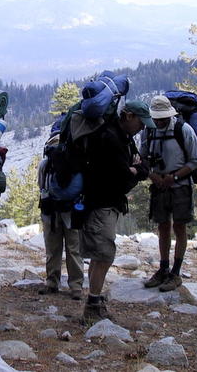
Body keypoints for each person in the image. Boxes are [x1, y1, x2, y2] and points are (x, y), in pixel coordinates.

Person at [78, 101, 152, 324]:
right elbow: (124, 177)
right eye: (140, 122)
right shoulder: (111, 138)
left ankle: (95, 300)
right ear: (128, 116)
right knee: (104, 254)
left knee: (100, 255)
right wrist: (134, 169)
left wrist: (135, 169)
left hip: (103, 204)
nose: (142, 128)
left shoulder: (120, 137)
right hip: (101, 205)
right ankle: (92, 305)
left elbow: (139, 169)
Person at [140, 96, 197, 292]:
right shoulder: (149, 131)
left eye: (161, 118)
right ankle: (164, 268)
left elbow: (195, 160)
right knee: (163, 226)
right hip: (159, 186)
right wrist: (152, 175)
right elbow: (141, 159)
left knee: (180, 227)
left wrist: (173, 178)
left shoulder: (183, 130)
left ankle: (176, 272)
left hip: (180, 185)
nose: (159, 121)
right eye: (156, 118)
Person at [37, 124, 84, 300]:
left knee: (53, 248)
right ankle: (76, 286)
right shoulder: (76, 159)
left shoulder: (46, 162)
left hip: (51, 211)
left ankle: (52, 281)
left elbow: (41, 186)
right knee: (74, 249)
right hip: (73, 210)